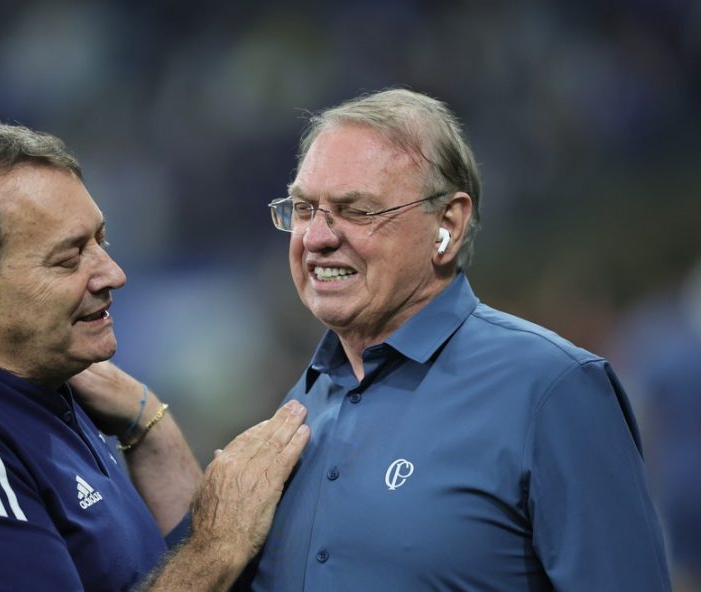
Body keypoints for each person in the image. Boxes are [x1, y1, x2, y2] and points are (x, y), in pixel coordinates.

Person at [0, 113, 310, 591]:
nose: (112, 273)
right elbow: (197, 562)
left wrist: (149, 425)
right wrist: (218, 544)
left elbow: (150, 572)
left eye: (100, 240)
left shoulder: (44, 380)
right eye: (68, 258)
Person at [241, 89, 671, 590]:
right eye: (305, 208)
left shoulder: (551, 389)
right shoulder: (296, 410)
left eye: (355, 210)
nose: (315, 238)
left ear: (447, 225)